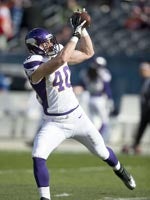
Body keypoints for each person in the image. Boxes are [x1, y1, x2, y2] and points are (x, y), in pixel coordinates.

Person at [23, 8, 136, 200]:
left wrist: (82, 29)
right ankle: (45, 198)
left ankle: (120, 170)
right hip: (54, 122)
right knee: (38, 154)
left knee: (102, 151)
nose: (51, 44)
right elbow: (61, 60)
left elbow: (87, 52)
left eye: (51, 40)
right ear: (35, 47)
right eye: (46, 42)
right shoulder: (32, 63)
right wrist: (74, 33)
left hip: (78, 117)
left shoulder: (58, 51)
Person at [79, 56, 114, 143]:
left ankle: (93, 138)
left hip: (90, 98)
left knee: (94, 120)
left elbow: (83, 85)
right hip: (99, 99)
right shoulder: (103, 73)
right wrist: (109, 99)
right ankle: (98, 139)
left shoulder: (86, 72)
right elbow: (106, 87)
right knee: (105, 120)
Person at [122, 61, 150, 154]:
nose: (142, 72)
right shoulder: (144, 81)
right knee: (141, 129)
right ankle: (135, 145)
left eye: (144, 70)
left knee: (141, 128)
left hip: (148, 110)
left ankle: (135, 145)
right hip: (145, 111)